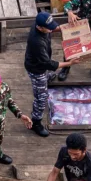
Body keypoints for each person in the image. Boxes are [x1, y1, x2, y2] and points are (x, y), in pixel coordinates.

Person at [25, 8, 61, 136]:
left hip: (41, 64)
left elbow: (54, 28)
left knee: (45, 75)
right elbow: (48, 64)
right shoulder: (36, 42)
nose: (51, 29)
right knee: (41, 98)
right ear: (40, 28)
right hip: (37, 69)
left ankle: (46, 77)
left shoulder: (42, 25)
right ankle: (36, 122)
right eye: (48, 28)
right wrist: (70, 63)